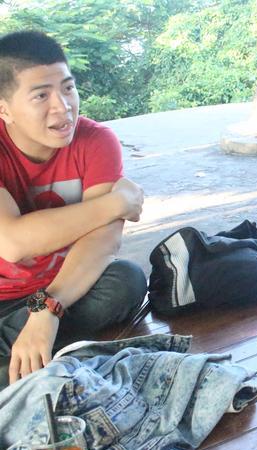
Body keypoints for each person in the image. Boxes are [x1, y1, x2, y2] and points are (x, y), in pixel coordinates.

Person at [0, 31, 147, 389]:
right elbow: (12, 242)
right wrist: (116, 202)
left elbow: (104, 240)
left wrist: (47, 309)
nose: (63, 106)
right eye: (41, 95)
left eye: (68, 88)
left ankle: (26, 357)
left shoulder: (95, 141)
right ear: (4, 109)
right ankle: (41, 355)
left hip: (66, 288)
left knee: (126, 280)